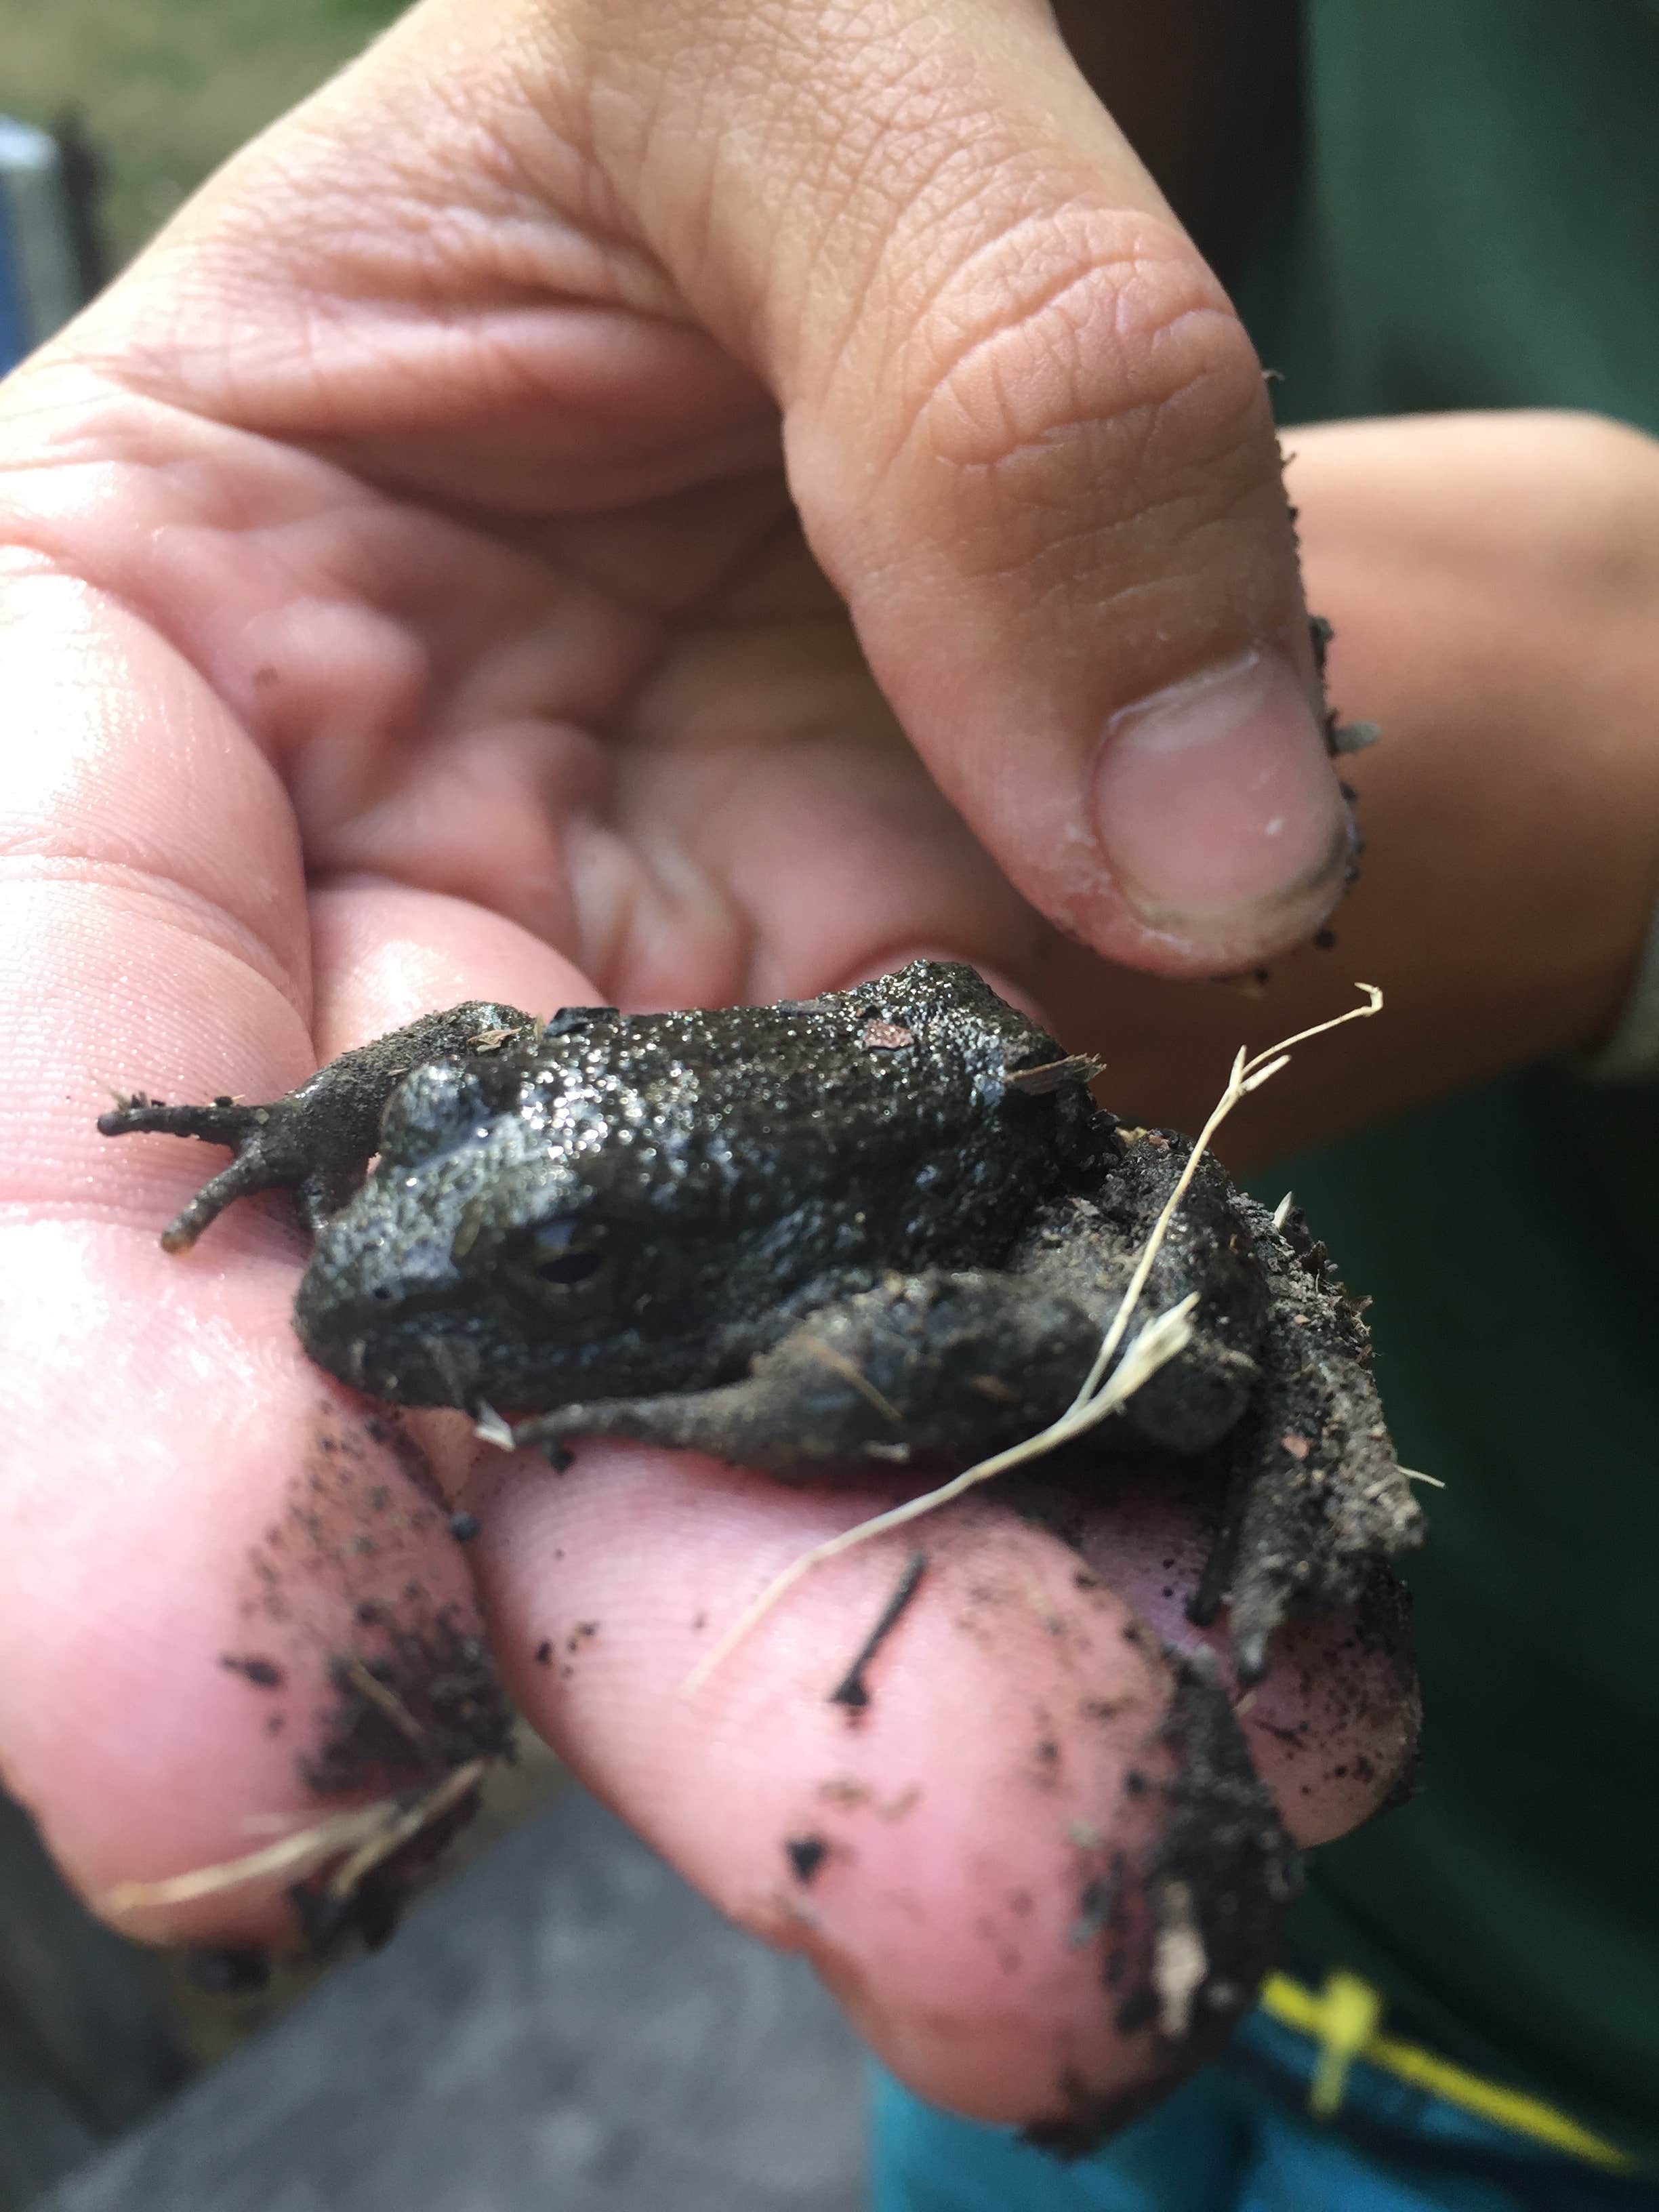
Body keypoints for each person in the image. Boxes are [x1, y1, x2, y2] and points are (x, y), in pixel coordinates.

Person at [0, 0, 1652, 2203]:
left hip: (1575, 1909)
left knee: (1186, 1344)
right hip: (1213, 1890)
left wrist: (733, 1407)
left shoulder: (821, 1303)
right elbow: (460, 1058)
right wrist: (308, 1136)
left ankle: (1316, 1520)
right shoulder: (520, 1080)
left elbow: (981, 1340)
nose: (418, 1285)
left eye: (554, 1275)